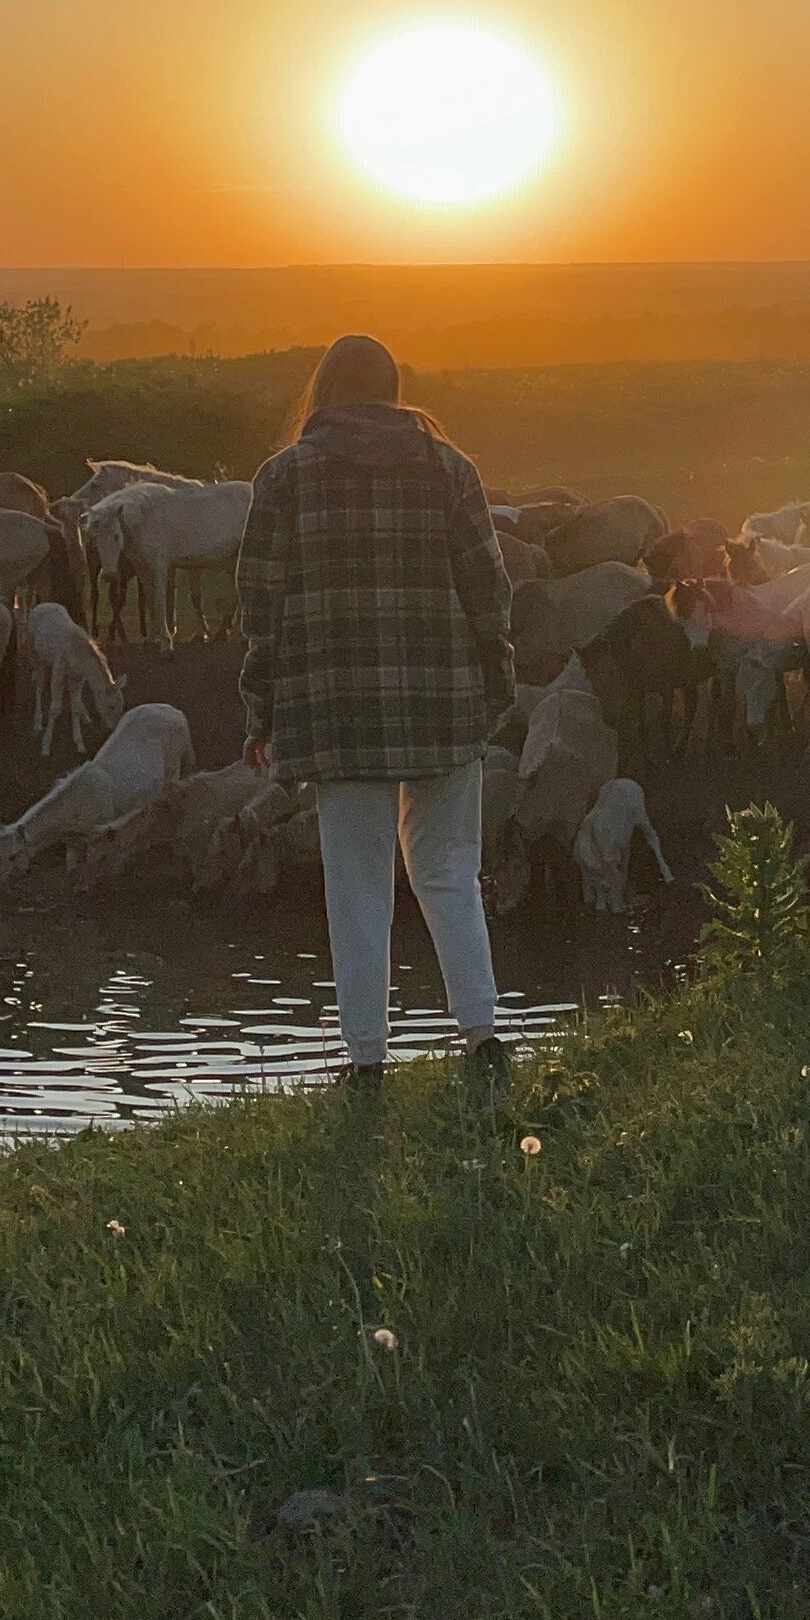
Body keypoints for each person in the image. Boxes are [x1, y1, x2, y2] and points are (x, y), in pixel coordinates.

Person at [235, 333, 517, 1081]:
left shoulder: (283, 478)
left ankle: (366, 1061)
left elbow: (260, 609)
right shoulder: (450, 470)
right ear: (394, 391)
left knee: (357, 886)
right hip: (444, 703)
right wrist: (496, 684)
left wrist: (261, 711)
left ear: (324, 390)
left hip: (336, 711)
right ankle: (483, 1036)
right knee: (449, 871)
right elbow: (489, 590)